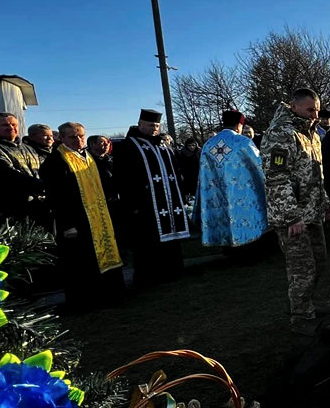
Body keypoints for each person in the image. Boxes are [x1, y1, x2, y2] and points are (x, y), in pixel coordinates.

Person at [263, 90, 330, 334]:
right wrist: (292, 216)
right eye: (309, 110)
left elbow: (315, 172)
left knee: (319, 260)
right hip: (293, 217)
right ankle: (300, 317)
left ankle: (307, 304)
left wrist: (323, 199)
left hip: (312, 212)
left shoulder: (310, 134)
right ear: (293, 106)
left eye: (317, 110)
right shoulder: (281, 134)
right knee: (302, 267)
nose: (315, 115)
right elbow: (276, 177)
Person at [39, 122, 124, 312]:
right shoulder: (56, 161)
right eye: (73, 137)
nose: (78, 140)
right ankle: (87, 301)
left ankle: (110, 295)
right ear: (61, 138)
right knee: (80, 263)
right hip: (76, 222)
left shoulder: (88, 157)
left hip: (98, 217)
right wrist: (67, 224)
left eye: (81, 136)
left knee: (101, 255)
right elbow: (57, 196)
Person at [114, 109, 191, 288]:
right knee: (147, 242)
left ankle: (173, 271)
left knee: (171, 237)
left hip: (169, 202)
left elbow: (176, 170)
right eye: (150, 125)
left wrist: (181, 192)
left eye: (156, 125)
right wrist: (131, 203)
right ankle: (150, 276)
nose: (153, 128)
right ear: (140, 124)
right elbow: (122, 177)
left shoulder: (163, 144)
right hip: (145, 204)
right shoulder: (128, 145)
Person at [196, 109, 267, 248]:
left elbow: (204, 173)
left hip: (217, 192)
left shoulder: (208, 144)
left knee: (224, 215)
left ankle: (226, 246)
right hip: (241, 192)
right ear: (239, 125)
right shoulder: (242, 141)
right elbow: (259, 164)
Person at [0, 112, 46, 225]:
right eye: (5, 125)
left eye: (13, 124)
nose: (10, 128)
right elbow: (7, 175)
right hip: (7, 210)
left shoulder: (28, 148)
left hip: (35, 208)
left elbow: (43, 170)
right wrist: (43, 186)